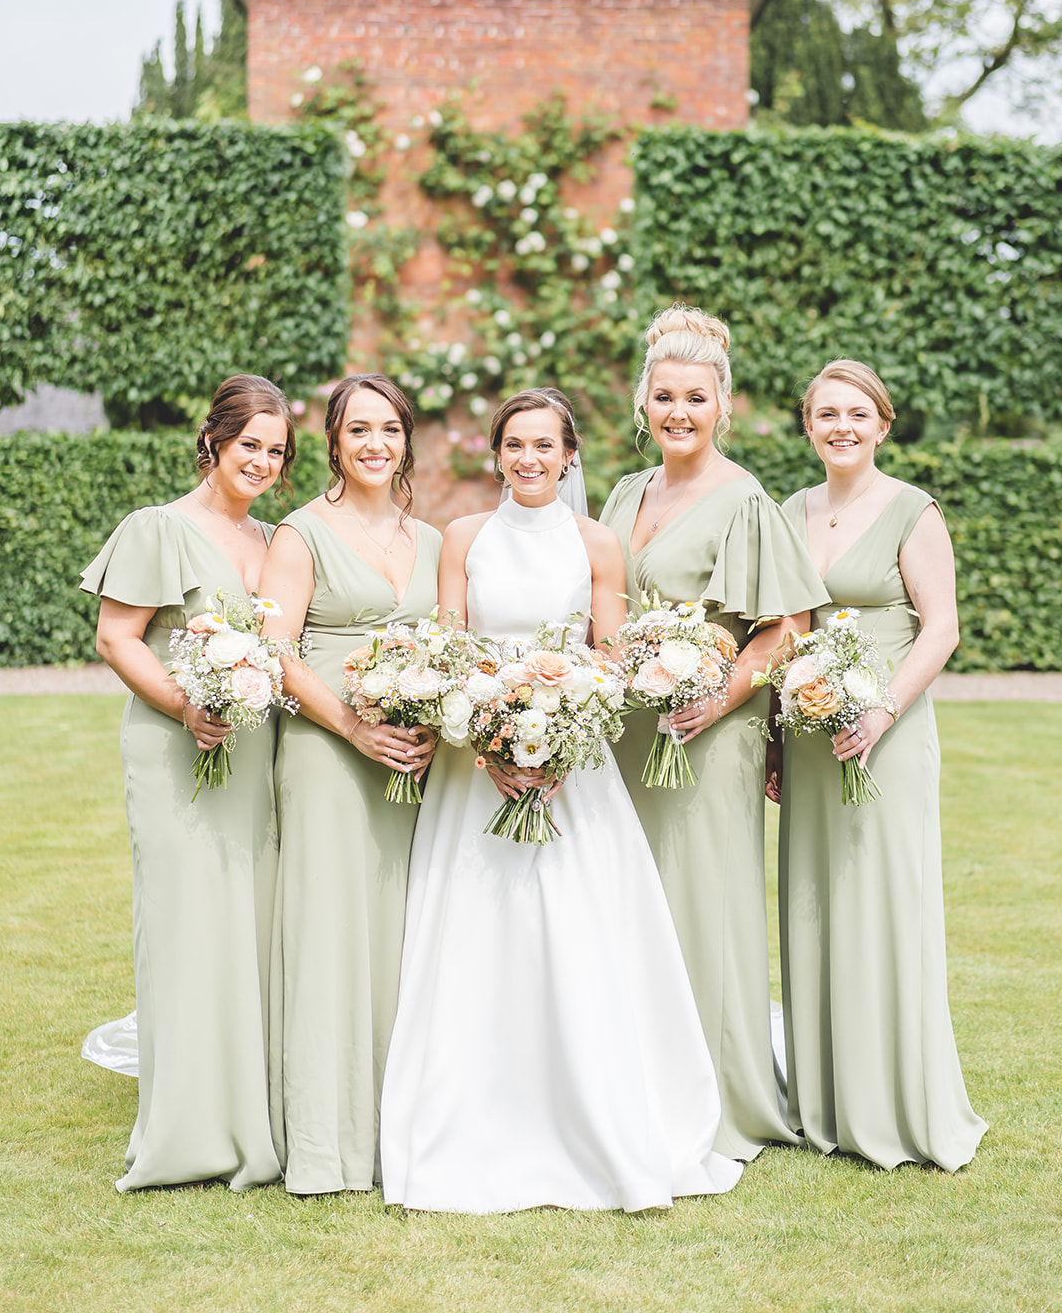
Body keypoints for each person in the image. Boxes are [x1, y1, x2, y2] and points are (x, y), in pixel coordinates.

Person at [380, 388, 743, 1213]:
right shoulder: (464, 538)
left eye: (545, 446)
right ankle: (470, 1119)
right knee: (477, 933)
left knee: (579, 933)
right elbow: (449, 646)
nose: (529, 459)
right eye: (515, 445)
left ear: (568, 455)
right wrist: (492, 738)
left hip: (576, 769)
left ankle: (590, 1116)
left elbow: (609, 658)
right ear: (496, 454)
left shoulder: (597, 543)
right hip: (478, 769)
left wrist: (560, 731)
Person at [600, 308, 830, 1162]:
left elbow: (785, 627)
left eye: (695, 398)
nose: (678, 413)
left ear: (721, 404)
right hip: (624, 734)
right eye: (664, 396)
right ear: (642, 402)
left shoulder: (746, 502)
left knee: (701, 903)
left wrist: (715, 696)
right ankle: (635, 1085)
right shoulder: (626, 493)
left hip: (707, 733)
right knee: (626, 902)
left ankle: (718, 1095)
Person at [80, 374, 296, 1191]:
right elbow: (116, 638)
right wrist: (186, 707)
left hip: (252, 754)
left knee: (244, 926)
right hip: (179, 751)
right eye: (250, 447)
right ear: (214, 442)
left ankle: (247, 1114)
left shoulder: (275, 540)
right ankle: (183, 1126)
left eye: (276, 453)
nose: (263, 464)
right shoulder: (157, 529)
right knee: (184, 925)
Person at [778, 359, 987, 1170]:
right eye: (825, 413)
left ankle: (897, 1105)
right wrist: (772, 732)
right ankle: (826, 1103)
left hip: (886, 732)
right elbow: (786, 628)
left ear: (882, 424)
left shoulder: (912, 510)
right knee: (813, 907)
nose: (841, 427)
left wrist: (880, 710)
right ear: (806, 425)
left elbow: (940, 628)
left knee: (884, 906)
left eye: (856, 414)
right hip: (808, 734)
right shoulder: (790, 511)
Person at [259, 374, 441, 1196]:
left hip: (412, 760)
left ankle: (400, 1134)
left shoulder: (433, 541)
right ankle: (328, 1145)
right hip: (330, 752)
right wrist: (354, 727)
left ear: (407, 441)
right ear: (333, 442)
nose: (375, 444)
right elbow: (278, 652)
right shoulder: (300, 535)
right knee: (332, 940)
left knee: (404, 940)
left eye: (390, 429)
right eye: (357, 429)